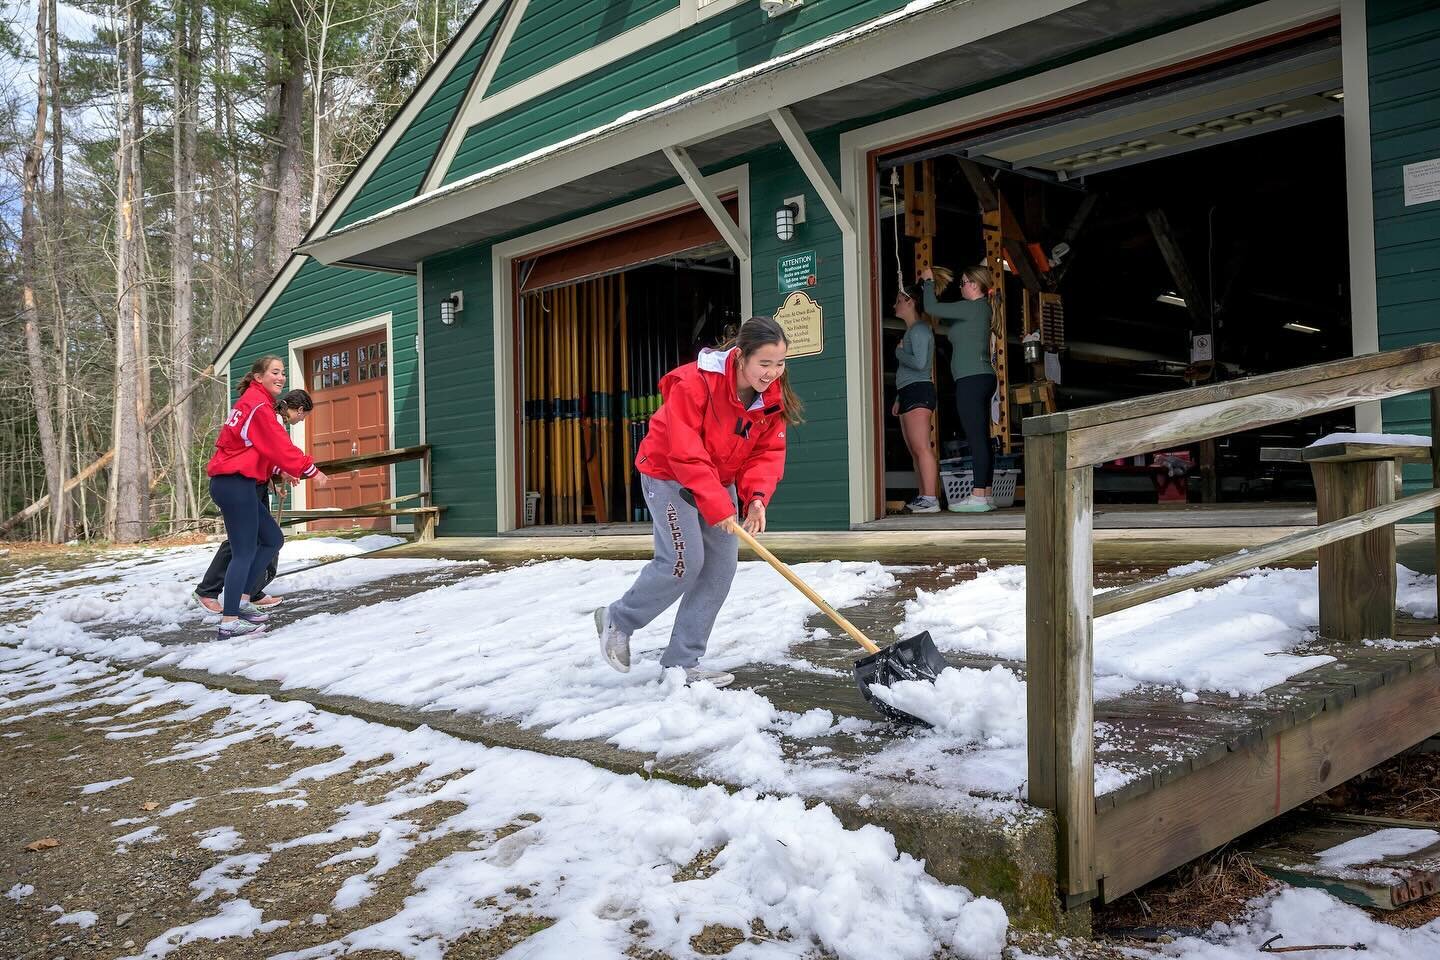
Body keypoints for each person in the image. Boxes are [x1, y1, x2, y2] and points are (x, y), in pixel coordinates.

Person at [593, 316, 802, 689]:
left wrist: (755, 497)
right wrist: (717, 505)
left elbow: (768, 451)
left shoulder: (771, 396)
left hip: (717, 479)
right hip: (668, 473)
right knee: (682, 562)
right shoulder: (694, 383)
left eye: (780, 363)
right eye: (764, 364)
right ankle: (618, 619)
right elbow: (684, 452)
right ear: (740, 356)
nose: (773, 373)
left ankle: (681, 664)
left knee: (720, 569)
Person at [206, 357, 327, 639]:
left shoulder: (256, 402)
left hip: (241, 482)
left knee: (273, 539)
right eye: (275, 372)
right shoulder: (258, 406)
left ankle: (242, 601)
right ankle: (229, 622)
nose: (281, 377)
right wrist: (309, 469)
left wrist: (278, 472)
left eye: (283, 373)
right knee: (244, 552)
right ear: (258, 377)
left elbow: (258, 449)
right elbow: (279, 446)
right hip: (233, 483)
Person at [195, 389, 315, 618]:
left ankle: (250, 591)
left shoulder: (274, 417)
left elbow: (266, 454)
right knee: (242, 543)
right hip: (242, 483)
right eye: (304, 415)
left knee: (262, 539)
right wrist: (297, 468)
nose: (302, 420)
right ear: (299, 409)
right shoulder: (270, 416)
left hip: (255, 482)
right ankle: (211, 591)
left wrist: (278, 473)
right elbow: (271, 450)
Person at [920, 264, 998, 513]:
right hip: (982, 377)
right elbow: (941, 314)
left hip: (971, 379)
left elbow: (931, 308)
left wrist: (929, 282)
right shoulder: (980, 310)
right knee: (982, 438)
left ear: (975, 285)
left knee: (976, 438)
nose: (961, 286)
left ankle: (977, 495)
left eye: (963, 282)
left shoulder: (972, 307)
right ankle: (985, 493)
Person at [890, 284, 939, 513]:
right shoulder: (911, 332)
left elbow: (920, 364)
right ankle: (923, 496)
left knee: (921, 447)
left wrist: (899, 353)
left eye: (899, 300)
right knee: (914, 450)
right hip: (909, 392)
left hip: (919, 390)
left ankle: (930, 498)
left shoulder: (919, 330)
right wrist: (899, 397)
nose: (895, 305)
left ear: (910, 302)